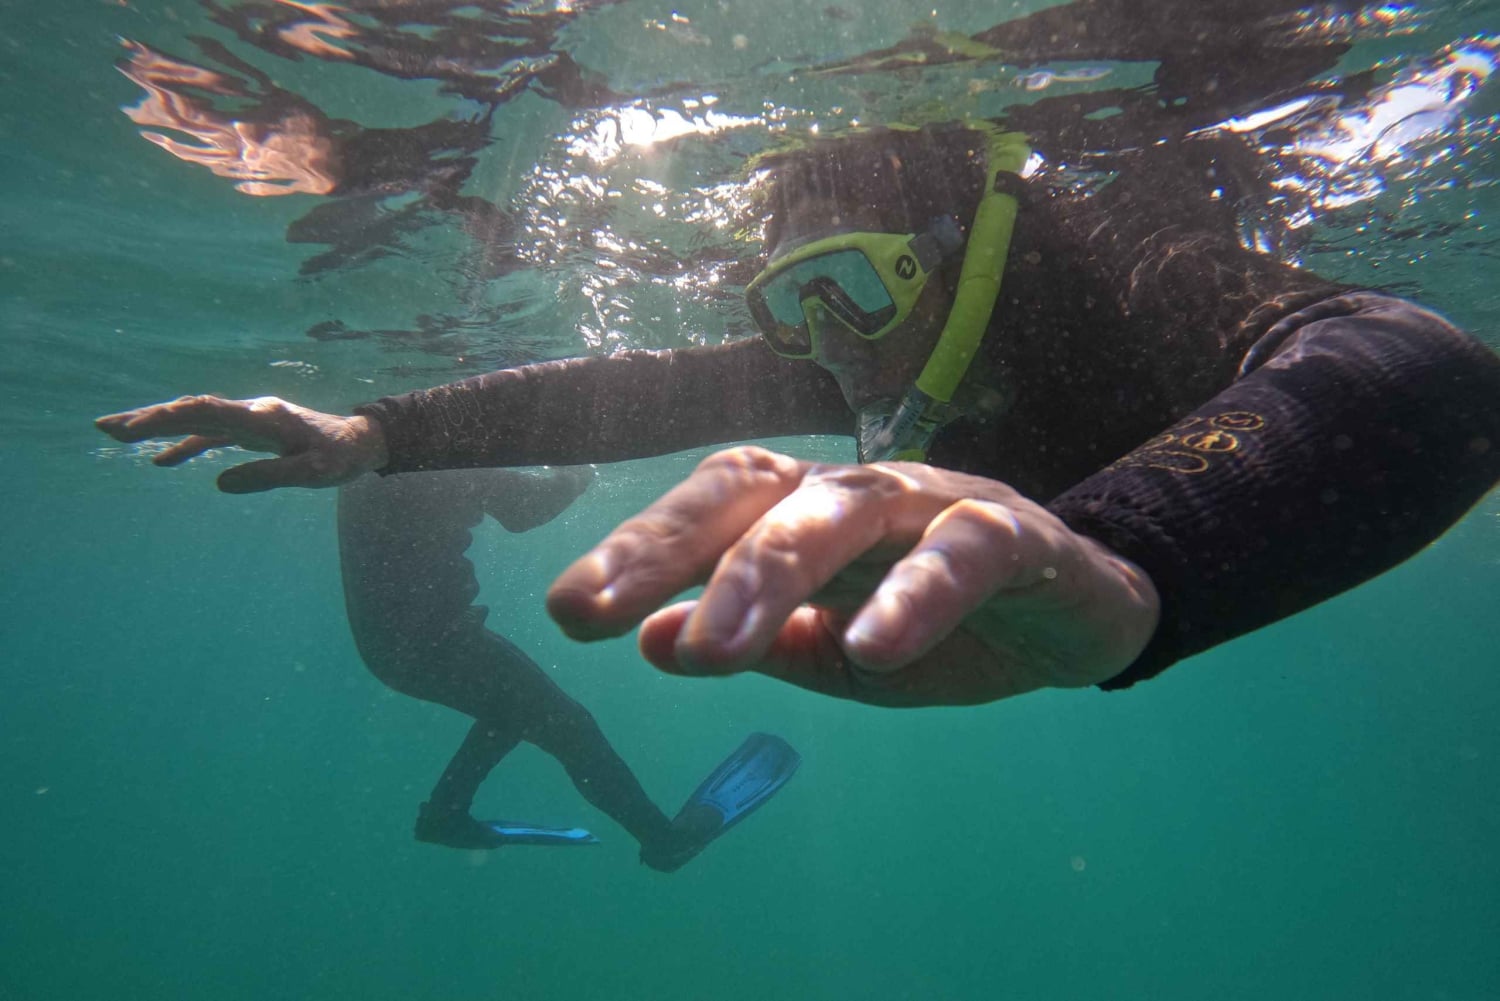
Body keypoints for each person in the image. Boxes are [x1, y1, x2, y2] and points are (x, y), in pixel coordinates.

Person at [97, 120, 1500, 712]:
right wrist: (373, 435)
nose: (824, 347)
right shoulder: (856, 348)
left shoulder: (1124, 253)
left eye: (845, 285)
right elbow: (632, 392)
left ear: (951, 248)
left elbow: (1424, 368)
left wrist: (1135, 562)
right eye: (786, 304)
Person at [337, 465, 799, 871]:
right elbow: (525, 509)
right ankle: (662, 841)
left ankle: (446, 813)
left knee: (514, 710)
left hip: (391, 644)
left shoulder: (389, 444)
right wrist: (581, 470)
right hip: (435, 642)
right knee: (567, 726)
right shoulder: (434, 443)